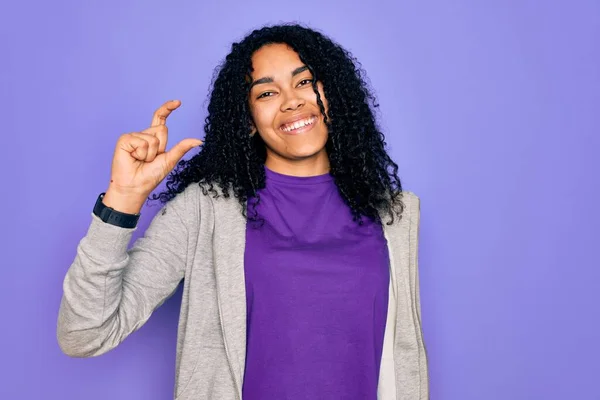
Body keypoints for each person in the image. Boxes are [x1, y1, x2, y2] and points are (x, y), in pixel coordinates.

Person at [57, 24, 429, 400]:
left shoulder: (395, 216)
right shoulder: (204, 211)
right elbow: (84, 334)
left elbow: (403, 362)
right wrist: (123, 198)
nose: (292, 101)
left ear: (332, 93)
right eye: (267, 92)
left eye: (304, 82)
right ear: (248, 120)